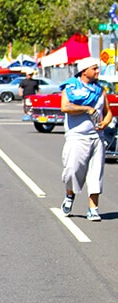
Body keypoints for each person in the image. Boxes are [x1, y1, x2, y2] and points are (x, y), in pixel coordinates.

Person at [60, 57, 113, 221]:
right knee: (72, 171)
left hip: (97, 137)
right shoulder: (70, 89)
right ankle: (70, 195)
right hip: (76, 137)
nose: (98, 71)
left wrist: (105, 122)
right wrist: (87, 109)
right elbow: (65, 107)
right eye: (95, 68)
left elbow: (108, 111)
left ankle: (93, 208)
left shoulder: (100, 90)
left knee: (96, 173)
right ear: (84, 71)